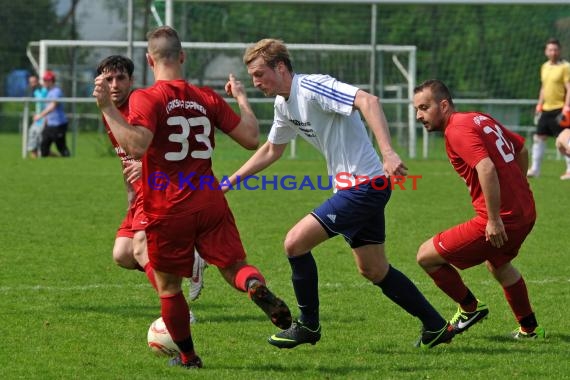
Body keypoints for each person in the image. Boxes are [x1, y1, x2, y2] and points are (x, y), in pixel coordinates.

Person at [224, 38, 454, 350]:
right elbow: (272, 149)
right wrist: (230, 181)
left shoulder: (312, 87)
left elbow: (368, 101)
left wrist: (388, 153)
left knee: (294, 243)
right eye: (252, 76)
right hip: (357, 187)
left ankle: (308, 326)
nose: (256, 82)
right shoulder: (283, 103)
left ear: (280, 68)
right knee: (373, 268)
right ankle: (436, 325)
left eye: (260, 73)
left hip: (364, 186)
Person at [93, 26, 291, 370]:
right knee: (234, 267)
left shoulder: (146, 97)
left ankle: (188, 357)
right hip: (210, 199)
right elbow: (249, 138)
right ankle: (255, 285)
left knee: (169, 288)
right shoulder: (206, 97)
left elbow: (136, 145)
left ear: (148, 59)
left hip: (169, 204)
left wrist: (107, 108)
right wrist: (241, 98)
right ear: (182, 56)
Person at [412, 79, 545, 340]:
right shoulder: (477, 118)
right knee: (499, 264)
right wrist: (519, 185)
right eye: (416, 109)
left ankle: (469, 308)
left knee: (426, 256)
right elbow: (521, 148)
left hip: (503, 217)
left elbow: (486, 168)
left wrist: (494, 219)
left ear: (444, 105)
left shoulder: (456, 130)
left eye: (424, 107)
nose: (419, 115)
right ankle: (529, 329)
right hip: (525, 210)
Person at [95, 55, 206, 321]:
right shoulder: (108, 111)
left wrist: (144, 169)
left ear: (132, 80)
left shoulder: (141, 103)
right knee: (122, 254)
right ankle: (189, 263)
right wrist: (130, 198)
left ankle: (180, 311)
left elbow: (166, 150)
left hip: (159, 189)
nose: (114, 84)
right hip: (140, 195)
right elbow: (125, 160)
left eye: (121, 78)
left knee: (140, 248)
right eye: (108, 79)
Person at [527, 38, 570, 180]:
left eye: (556, 49)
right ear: (546, 51)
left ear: (560, 50)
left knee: (564, 139)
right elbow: (544, 87)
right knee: (539, 137)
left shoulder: (565, 67)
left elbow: (569, 88)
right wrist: (539, 105)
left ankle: (569, 170)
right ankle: (535, 169)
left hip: (560, 109)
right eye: (550, 49)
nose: (553, 52)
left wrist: (567, 107)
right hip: (546, 109)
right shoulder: (544, 67)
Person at [34, 70, 71, 157]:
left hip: (59, 124)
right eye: (44, 80)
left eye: (46, 80)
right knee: (44, 147)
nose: (44, 82)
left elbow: (52, 106)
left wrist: (40, 116)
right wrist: (45, 121)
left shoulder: (56, 91)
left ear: (51, 81)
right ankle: (46, 165)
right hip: (49, 125)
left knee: (61, 147)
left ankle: (68, 161)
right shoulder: (48, 92)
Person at [27, 73, 48, 158]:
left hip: (44, 119)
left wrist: (46, 117)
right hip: (38, 119)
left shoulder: (45, 90)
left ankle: (58, 158)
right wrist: (36, 114)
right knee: (32, 138)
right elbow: (39, 105)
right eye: (30, 82)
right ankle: (34, 160)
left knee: (41, 143)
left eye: (34, 82)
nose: (32, 84)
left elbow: (47, 105)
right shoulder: (35, 92)